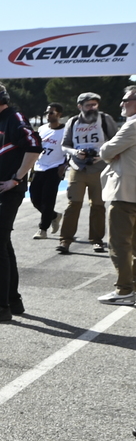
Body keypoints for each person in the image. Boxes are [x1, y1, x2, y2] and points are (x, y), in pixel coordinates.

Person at [0, 80, 41, 323]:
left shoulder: (15, 118)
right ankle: (12, 299)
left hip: (7, 193)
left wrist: (16, 179)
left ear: (1, 97)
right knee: (3, 246)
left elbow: (34, 147)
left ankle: (1, 306)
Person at [57, 92, 120, 255]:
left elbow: (116, 142)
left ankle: (97, 240)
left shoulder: (105, 119)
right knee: (73, 204)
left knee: (98, 205)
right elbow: (65, 145)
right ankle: (65, 240)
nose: (92, 108)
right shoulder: (73, 121)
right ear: (80, 107)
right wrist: (75, 152)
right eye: (88, 105)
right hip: (77, 168)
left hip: (100, 168)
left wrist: (102, 156)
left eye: (94, 105)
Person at [97, 85, 136, 305]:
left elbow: (106, 151)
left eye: (126, 100)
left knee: (120, 244)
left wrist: (112, 153)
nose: (122, 103)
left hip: (125, 193)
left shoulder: (132, 124)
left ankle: (124, 291)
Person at [29, 104, 67, 239]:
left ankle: (43, 229)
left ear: (59, 114)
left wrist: (65, 165)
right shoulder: (42, 129)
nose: (48, 115)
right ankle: (54, 216)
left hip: (55, 168)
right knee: (35, 199)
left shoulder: (66, 131)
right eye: (47, 113)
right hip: (39, 167)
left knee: (48, 200)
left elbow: (70, 149)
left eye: (51, 113)